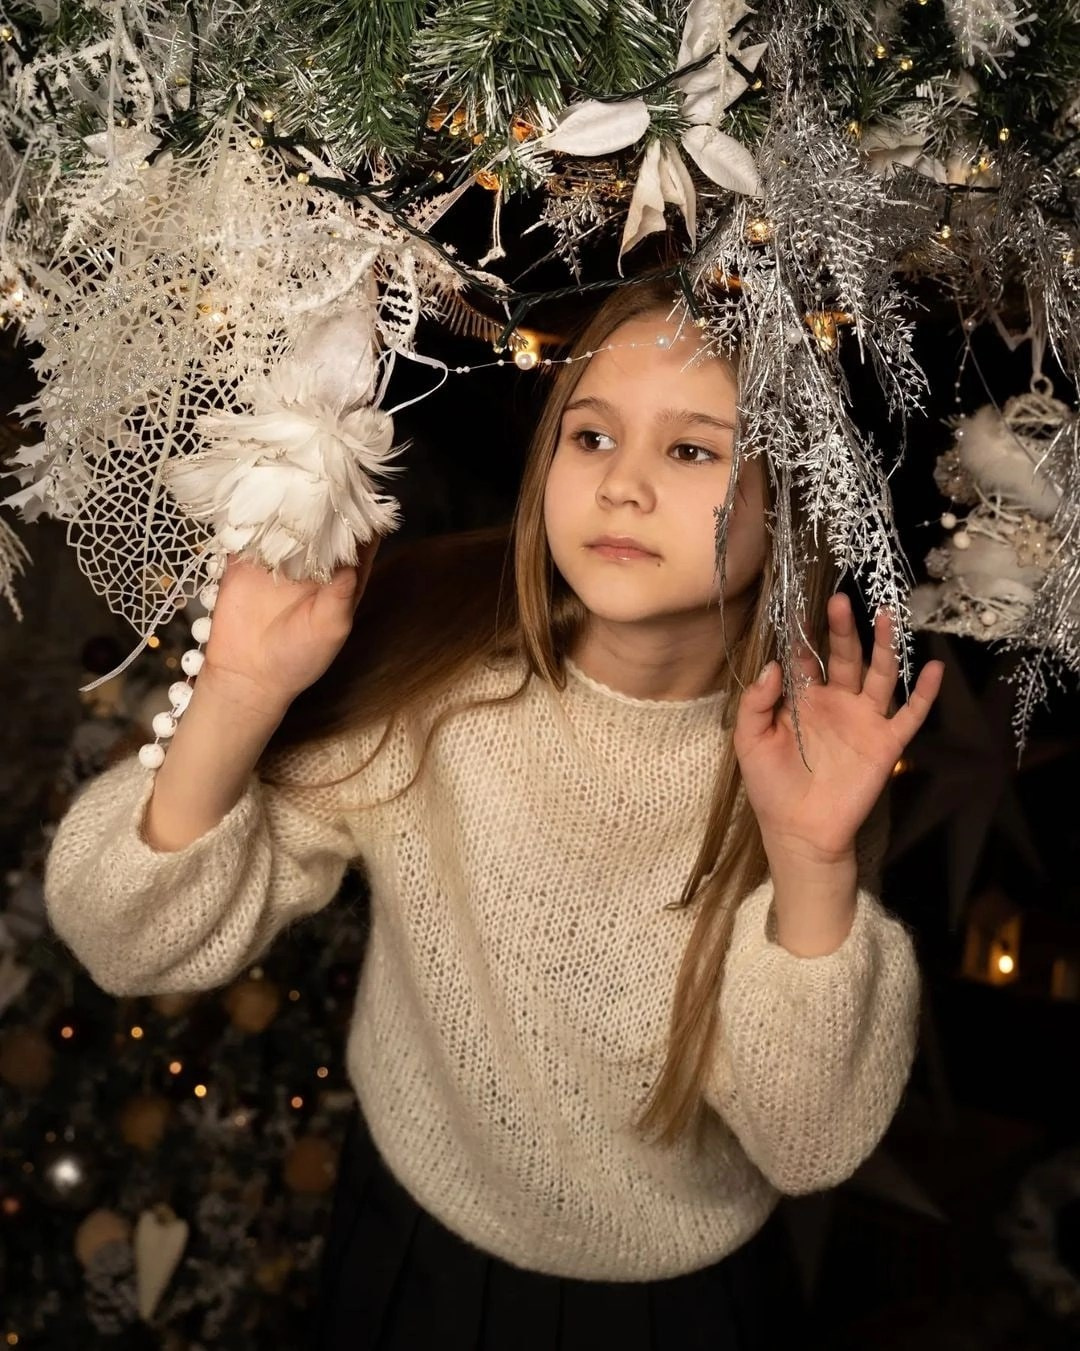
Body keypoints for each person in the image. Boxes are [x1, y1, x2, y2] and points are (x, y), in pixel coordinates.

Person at [44, 276, 944, 1350]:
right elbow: (120, 935)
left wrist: (811, 859)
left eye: (693, 450)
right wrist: (237, 689)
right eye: (592, 436)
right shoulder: (438, 683)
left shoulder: (812, 754)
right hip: (412, 1251)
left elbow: (809, 1144)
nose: (622, 487)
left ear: (788, 499)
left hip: (678, 1304)